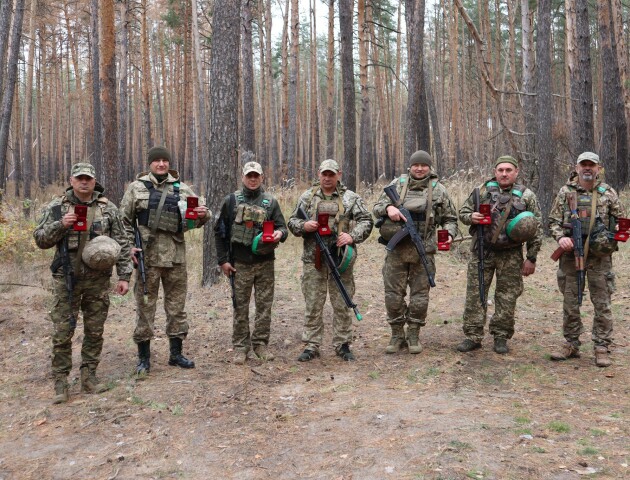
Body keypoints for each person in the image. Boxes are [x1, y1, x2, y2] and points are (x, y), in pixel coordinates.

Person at [34, 163, 132, 404]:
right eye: (80, 178)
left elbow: (123, 242)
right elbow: (40, 240)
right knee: (62, 332)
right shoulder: (57, 207)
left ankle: (89, 377)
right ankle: (61, 382)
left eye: (88, 178)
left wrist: (124, 276)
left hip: (98, 280)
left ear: (94, 180)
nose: (84, 182)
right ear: (72, 180)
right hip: (66, 279)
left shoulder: (108, 209)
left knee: (95, 330)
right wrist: (61, 225)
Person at [120, 146, 210, 374]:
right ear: (149, 163)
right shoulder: (136, 188)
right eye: (157, 161)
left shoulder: (182, 189)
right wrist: (129, 246)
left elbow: (199, 217)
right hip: (147, 259)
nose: (161, 164)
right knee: (145, 308)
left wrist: (203, 215)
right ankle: (144, 358)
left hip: (175, 258)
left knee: (176, 308)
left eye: (165, 161)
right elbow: (123, 222)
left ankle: (176, 354)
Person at [372, 150, 458, 354]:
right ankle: (396, 334)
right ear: (409, 167)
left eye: (424, 165)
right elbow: (377, 207)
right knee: (393, 295)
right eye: (416, 165)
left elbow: (450, 219)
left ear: (430, 167)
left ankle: (413, 333)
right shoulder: (397, 186)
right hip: (397, 251)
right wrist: (388, 209)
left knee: (420, 296)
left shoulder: (439, 191)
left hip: (424, 250)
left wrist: (450, 235)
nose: (420, 168)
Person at [287, 159, 373, 362]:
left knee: (342, 301)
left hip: (340, 259)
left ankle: (342, 344)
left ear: (338, 175)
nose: (327, 178)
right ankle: (311, 344)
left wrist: (352, 236)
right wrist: (304, 226)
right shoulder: (308, 197)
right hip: (313, 259)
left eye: (331, 174)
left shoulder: (351, 198)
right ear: (319, 174)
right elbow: (292, 221)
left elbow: (366, 220)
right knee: (313, 302)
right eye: (324, 174)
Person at [457, 155, 542, 354]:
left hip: (511, 254)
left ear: (516, 172)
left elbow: (536, 228)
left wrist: (531, 257)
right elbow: (463, 212)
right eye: (500, 170)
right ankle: (472, 335)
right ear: (495, 172)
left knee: (507, 296)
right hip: (482, 252)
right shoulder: (482, 191)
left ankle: (501, 336)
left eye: (508, 170)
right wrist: (472, 217)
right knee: (475, 294)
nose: (504, 174)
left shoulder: (527, 195)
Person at [549, 152, 623, 367]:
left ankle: (602, 346)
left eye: (592, 165)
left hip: (600, 256)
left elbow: (621, 219)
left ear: (598, 168)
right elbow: (553, 221)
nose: (588, 168)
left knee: (602, 302)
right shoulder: (566, 192)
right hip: (571, 256)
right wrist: (561, 238)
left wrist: (619, 230)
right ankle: (571, 343)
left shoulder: (607, 193)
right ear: (577, 167)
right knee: (571, 301)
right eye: (584, 165)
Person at [214, 161, 288, 365]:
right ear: (243, 177)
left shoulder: (270, 203)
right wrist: (223, 261)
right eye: (249, 176)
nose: (253, 179)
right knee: (240, 306)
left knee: (264, 306)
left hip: (265, 264)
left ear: (262, 177)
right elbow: (219, 233)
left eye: (256, 176)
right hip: (240, 264)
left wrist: (279, 233)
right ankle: (240, 347)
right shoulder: (231, 201)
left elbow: (283, 228)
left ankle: (260, 344)